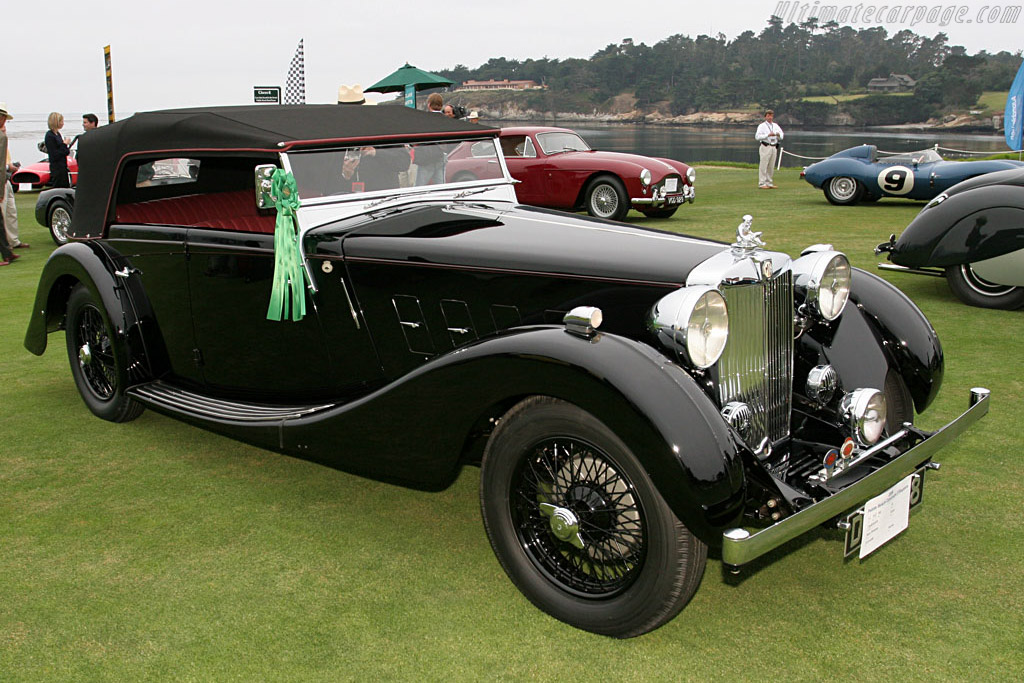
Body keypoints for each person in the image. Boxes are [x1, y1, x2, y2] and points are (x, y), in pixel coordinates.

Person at [1, 105, 27, 248]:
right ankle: (6, 244)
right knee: (3, 212)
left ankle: (13, 241)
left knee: (11, 211)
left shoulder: (3, 138)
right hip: (2, 177)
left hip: (6, 178)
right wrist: (8, 167)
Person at [0, 104, 18, 266]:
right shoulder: (1, 137)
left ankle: (7, 251)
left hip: (4, 179)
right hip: (2, 180)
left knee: (4, 217)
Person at [755, 109, 784, 189]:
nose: (770, 117)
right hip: (765, 146)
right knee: (764, 165)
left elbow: (782, 135)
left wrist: (778, 135)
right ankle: (762, 183)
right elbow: (757, 137)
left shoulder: (775, 125)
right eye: (768, 116)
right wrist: (767, 135)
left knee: (771, 165)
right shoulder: (762, 126)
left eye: (771, 116)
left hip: (774, 146)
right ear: (765, 117)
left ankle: (769, 182)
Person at [45, 112, 72, 188]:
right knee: (58, 186)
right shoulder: (50, 136)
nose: (63, 123)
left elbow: (65, 151)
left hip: (63, 166)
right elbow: (54, 154)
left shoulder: (58, 134)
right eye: (61, 121)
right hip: (56, 167)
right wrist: (64, 144)